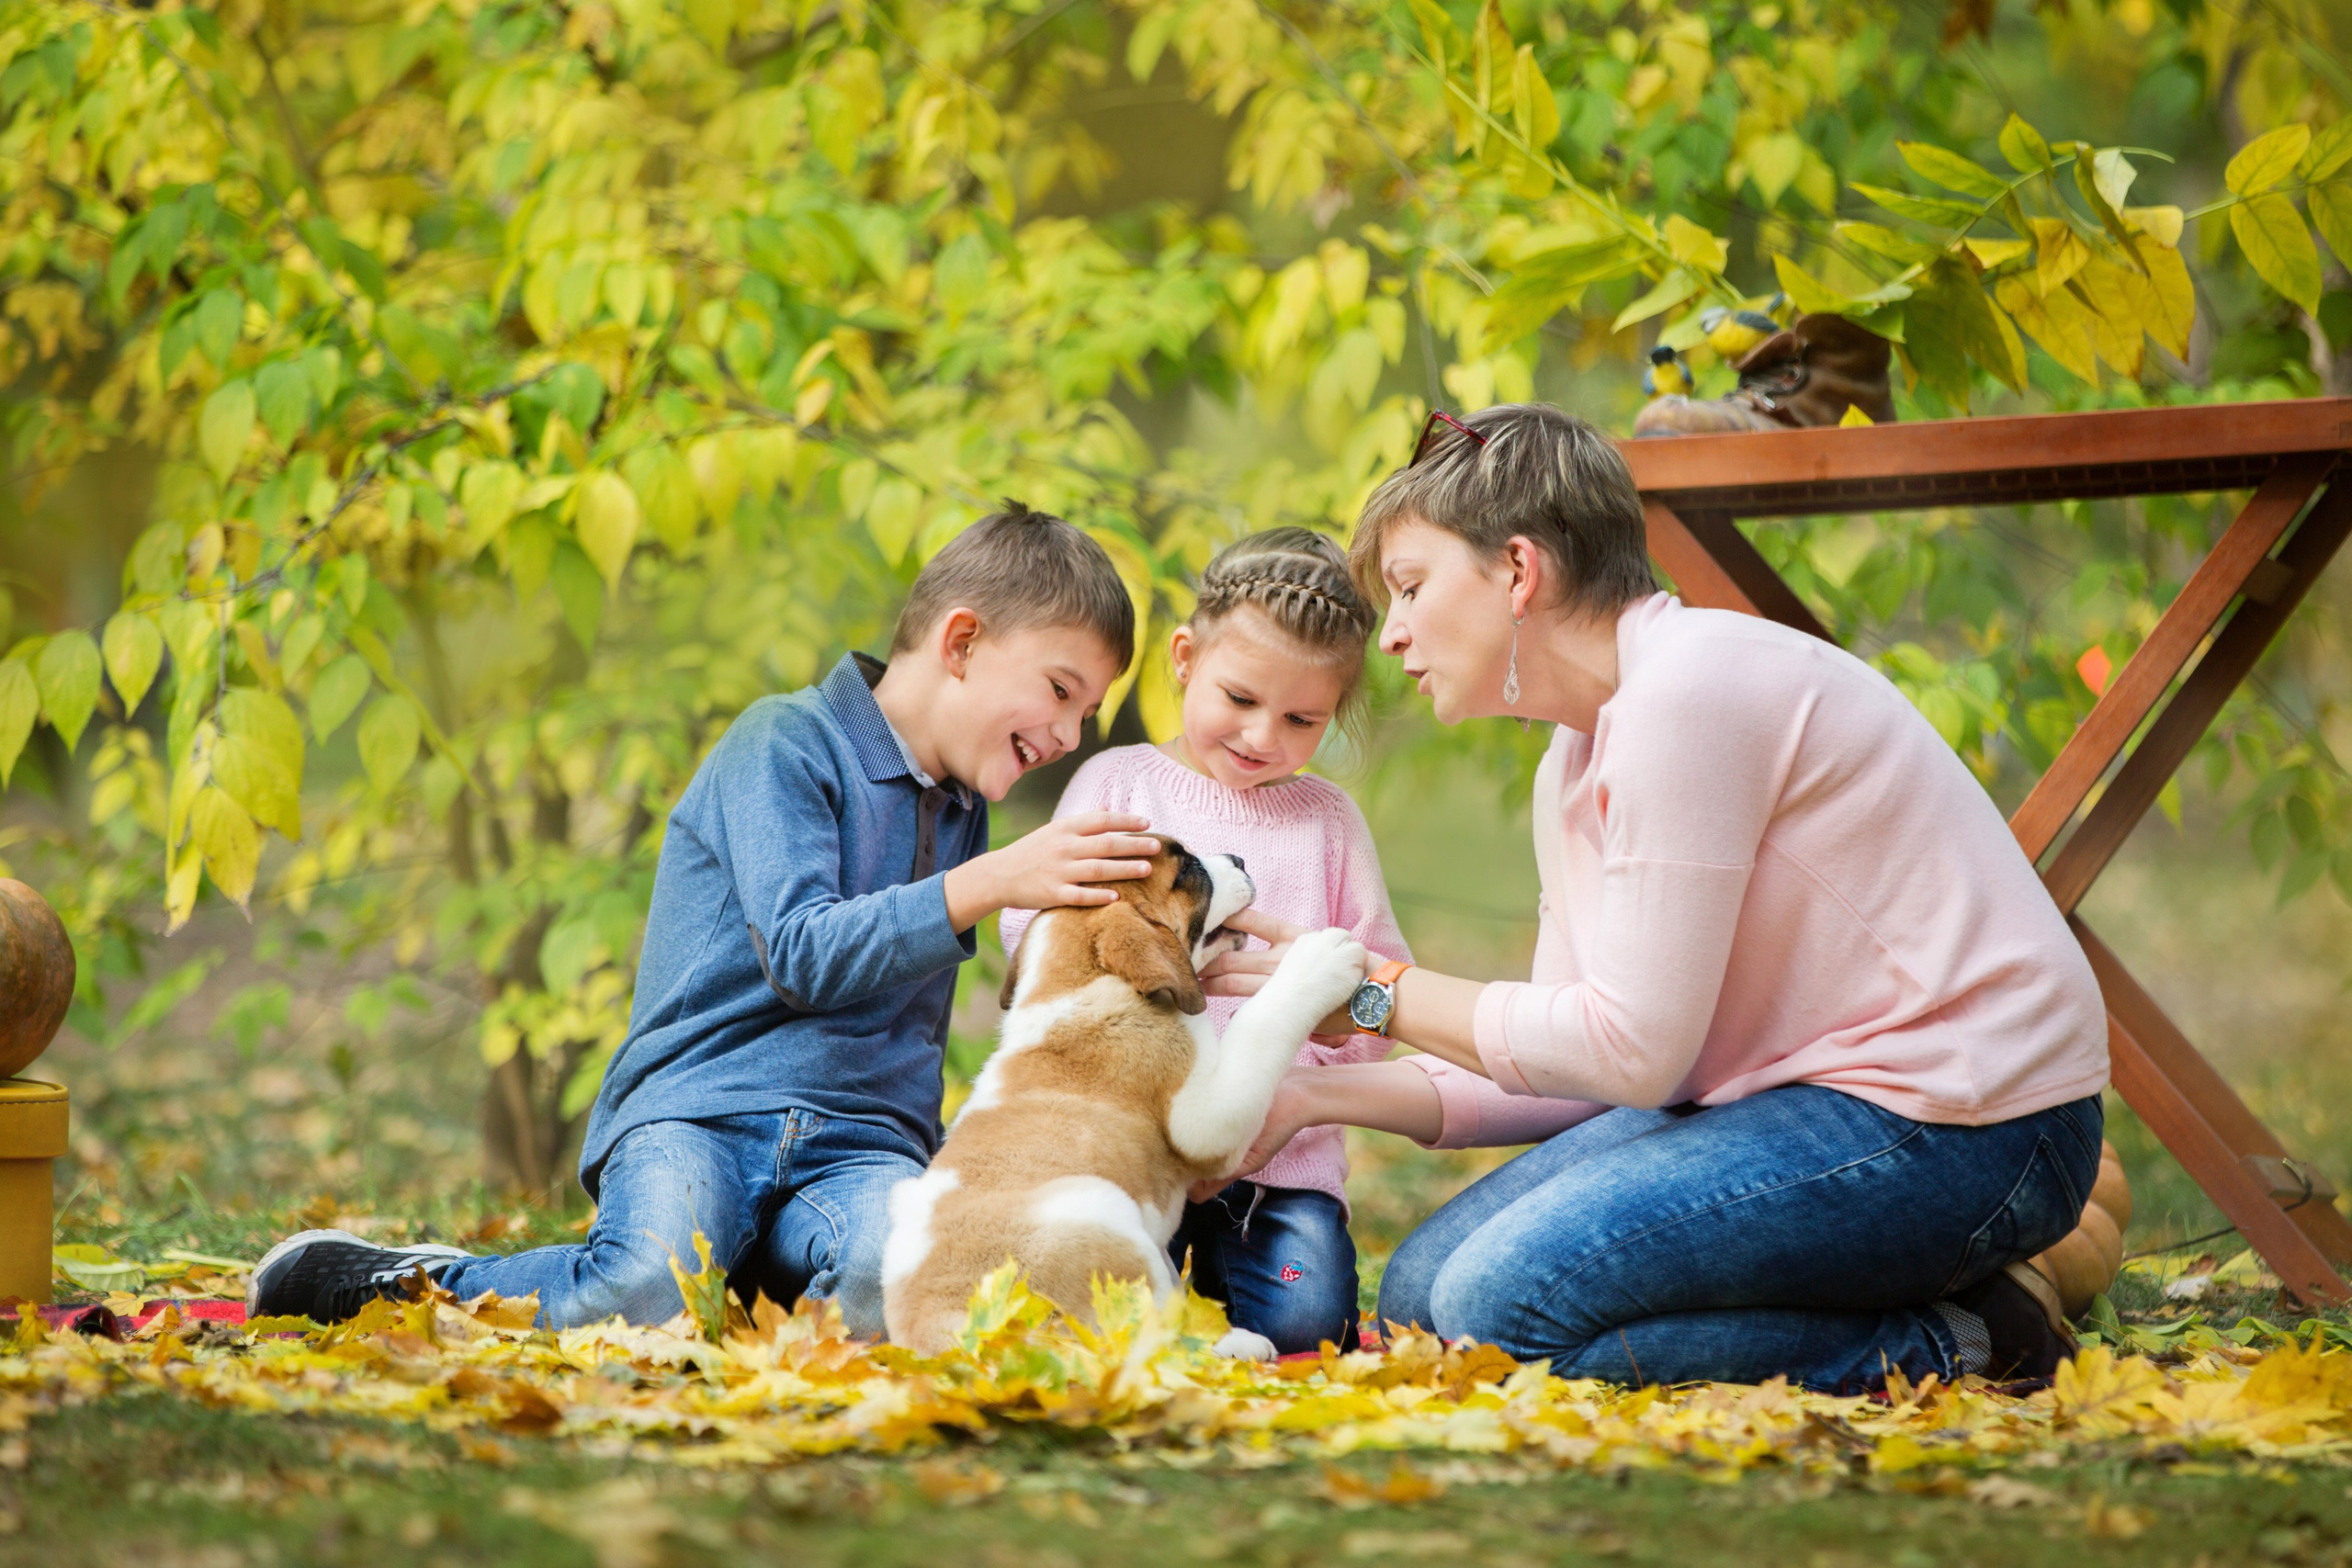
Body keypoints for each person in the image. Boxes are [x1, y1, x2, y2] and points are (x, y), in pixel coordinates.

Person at [1204, 404, 2109, 1393]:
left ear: (1517, 571)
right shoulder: (1578, 751)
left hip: (1970, 1127)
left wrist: (1373, 991)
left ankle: (1965, 1341)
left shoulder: (1692, 693)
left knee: (1488, 1313)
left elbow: (1628, 1051)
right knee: (1422, 1298)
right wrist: (1303, 1096)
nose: (1395, 637)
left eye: (1412, 588)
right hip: (1808, 1109)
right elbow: (1569, 1065)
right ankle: (1954, 1303)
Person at [248, 502, 1168, 1330]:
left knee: (894, 1282)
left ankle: (747, 1278)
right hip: (701, 1114)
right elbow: (805, 954)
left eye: (1086, 713)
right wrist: (994, 881)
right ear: (961, 643)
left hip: (859, 1146)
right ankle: (423, 1281)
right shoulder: (785, 742)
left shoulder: (965, 812)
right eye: (1059, 692)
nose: (1069, 736)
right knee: (644, 1287)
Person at [1000, 528, 1407, 1355]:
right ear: (1185, 657)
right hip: (1126, 1142)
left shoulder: (1329, 824)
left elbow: (1377, 992)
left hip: (1274, 1167)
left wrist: (1284, 1090)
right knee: (1081, 1305)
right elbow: (1040, 935)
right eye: (1241, 699)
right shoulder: (1119, 786)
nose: (1263, 736)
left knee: (1303, 1328)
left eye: (1302, 718)